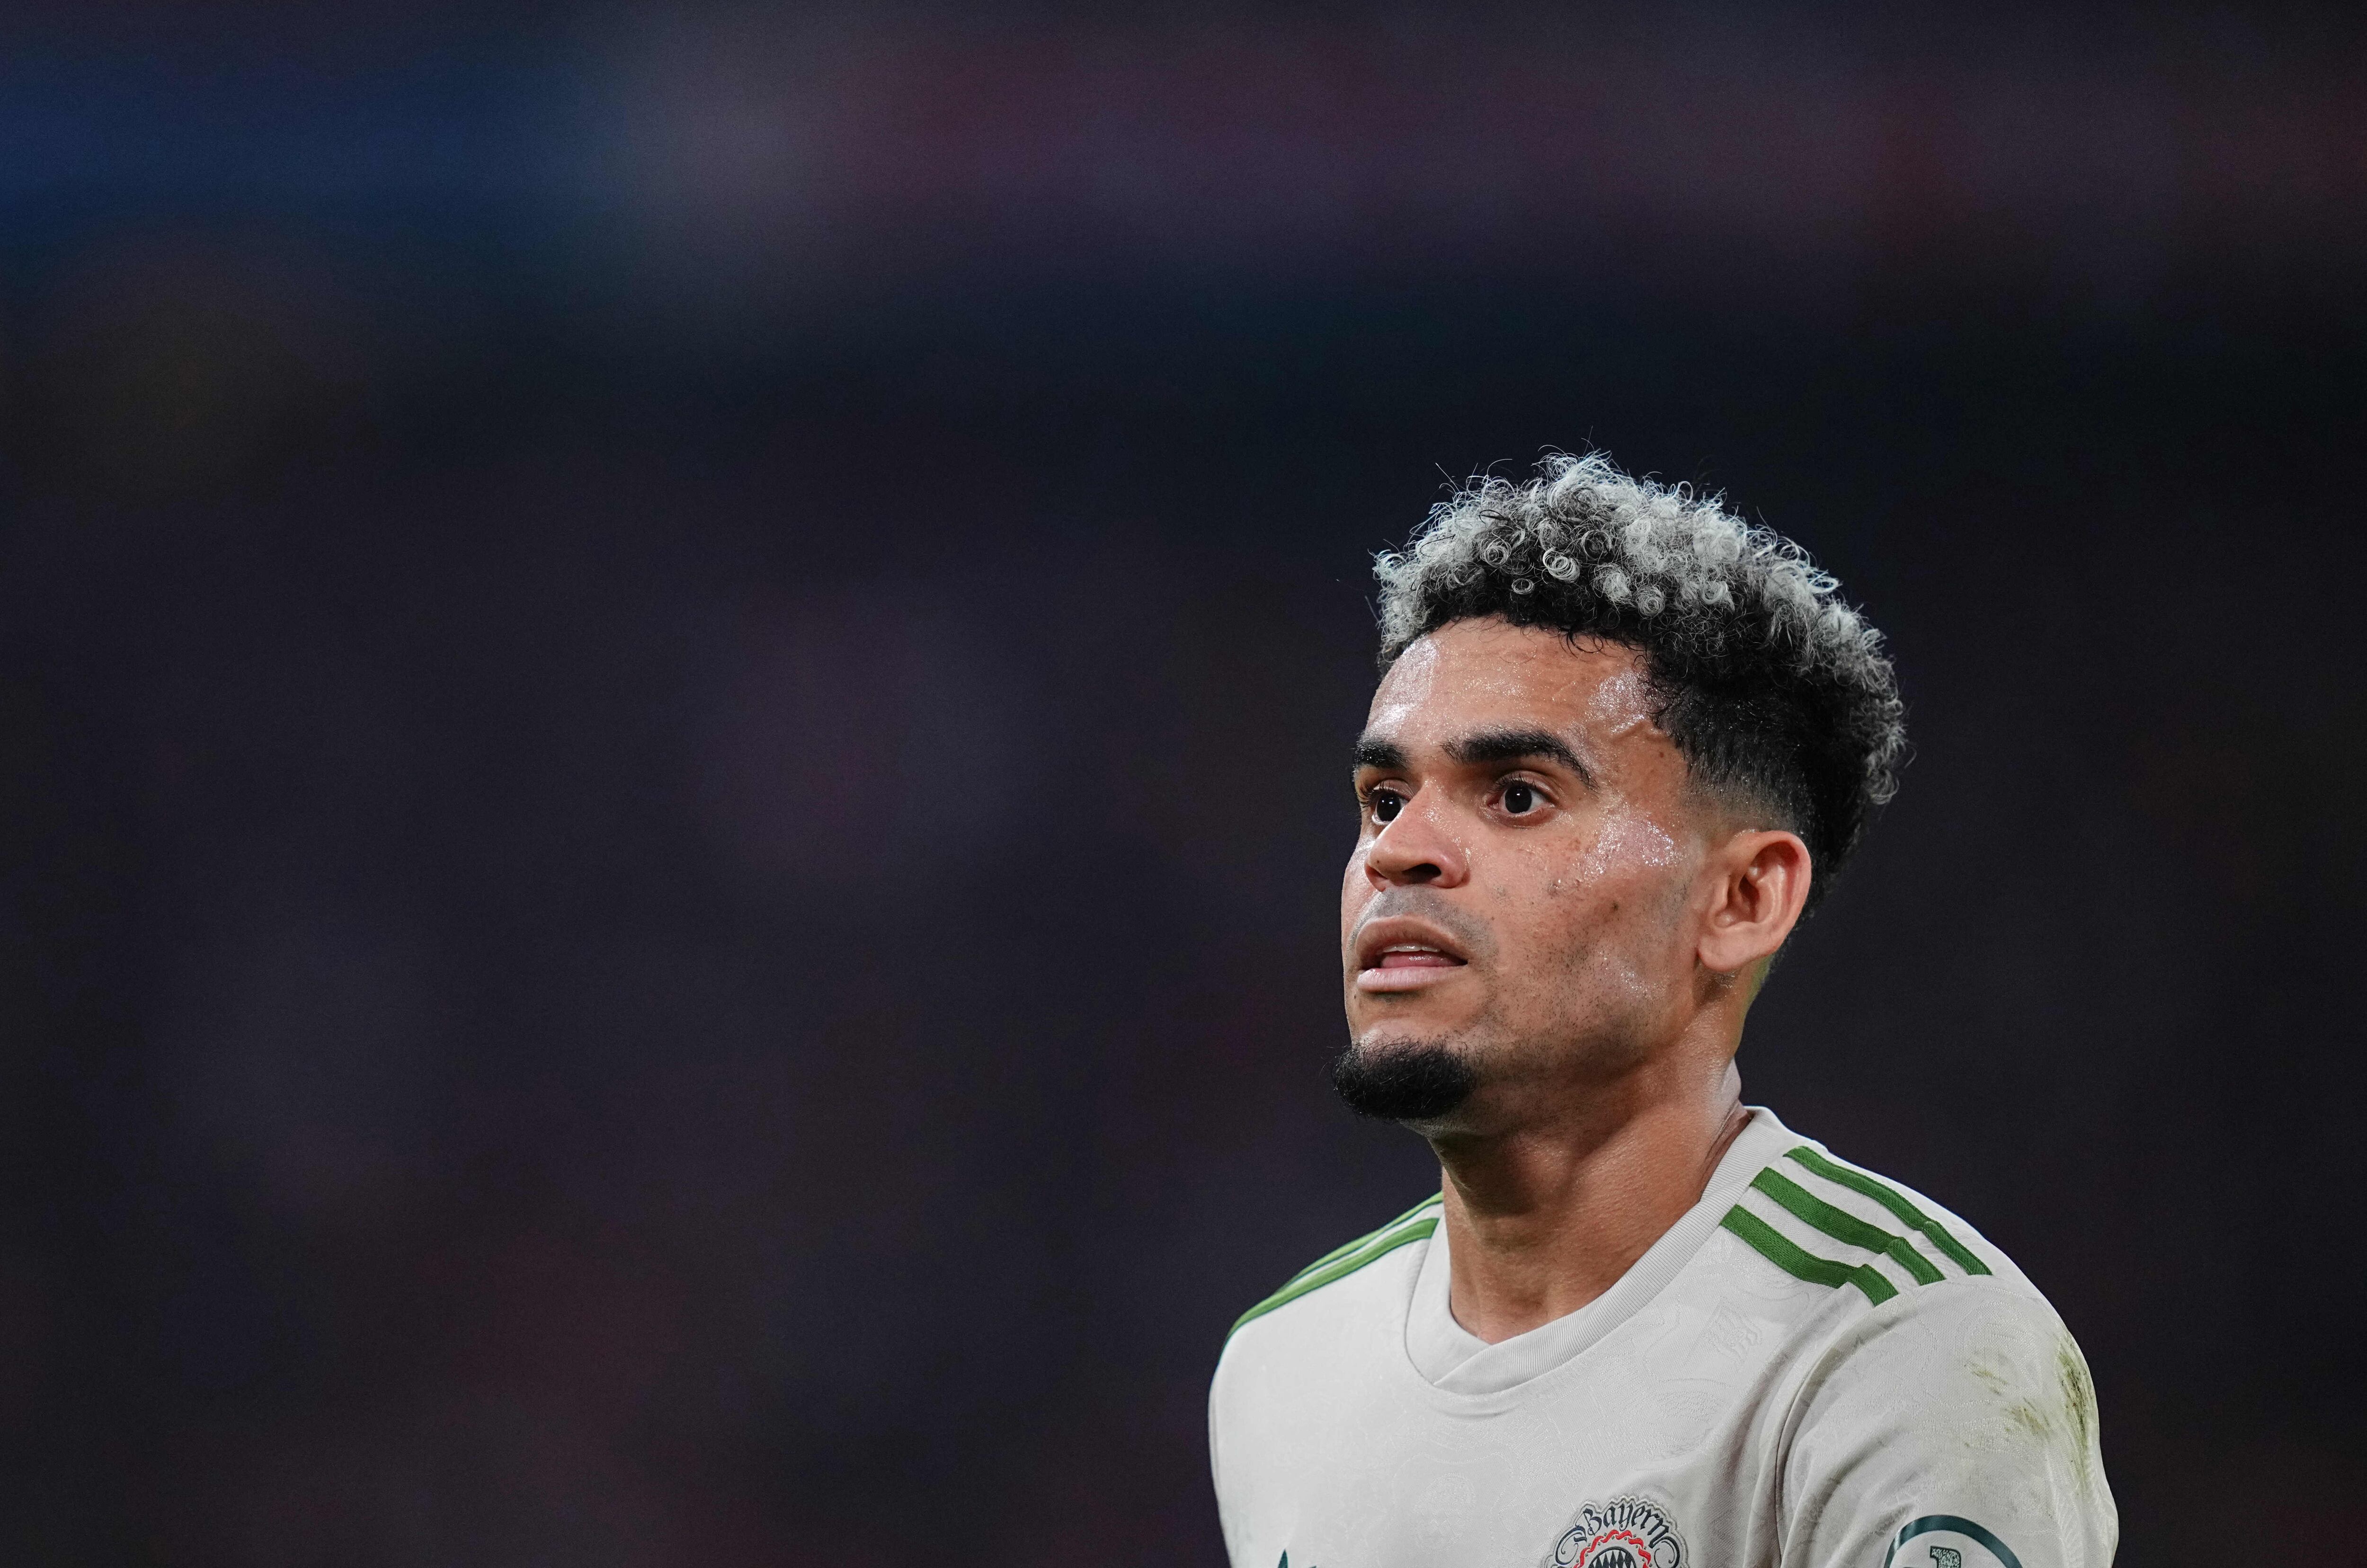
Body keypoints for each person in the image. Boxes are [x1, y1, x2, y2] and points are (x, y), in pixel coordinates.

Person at [1207, 453, 2116, 1568]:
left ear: (1741, 898)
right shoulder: (1280, 1365)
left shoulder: (1902, 1352)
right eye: (1384, 798)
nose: (1397, 849)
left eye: (1517, 795)